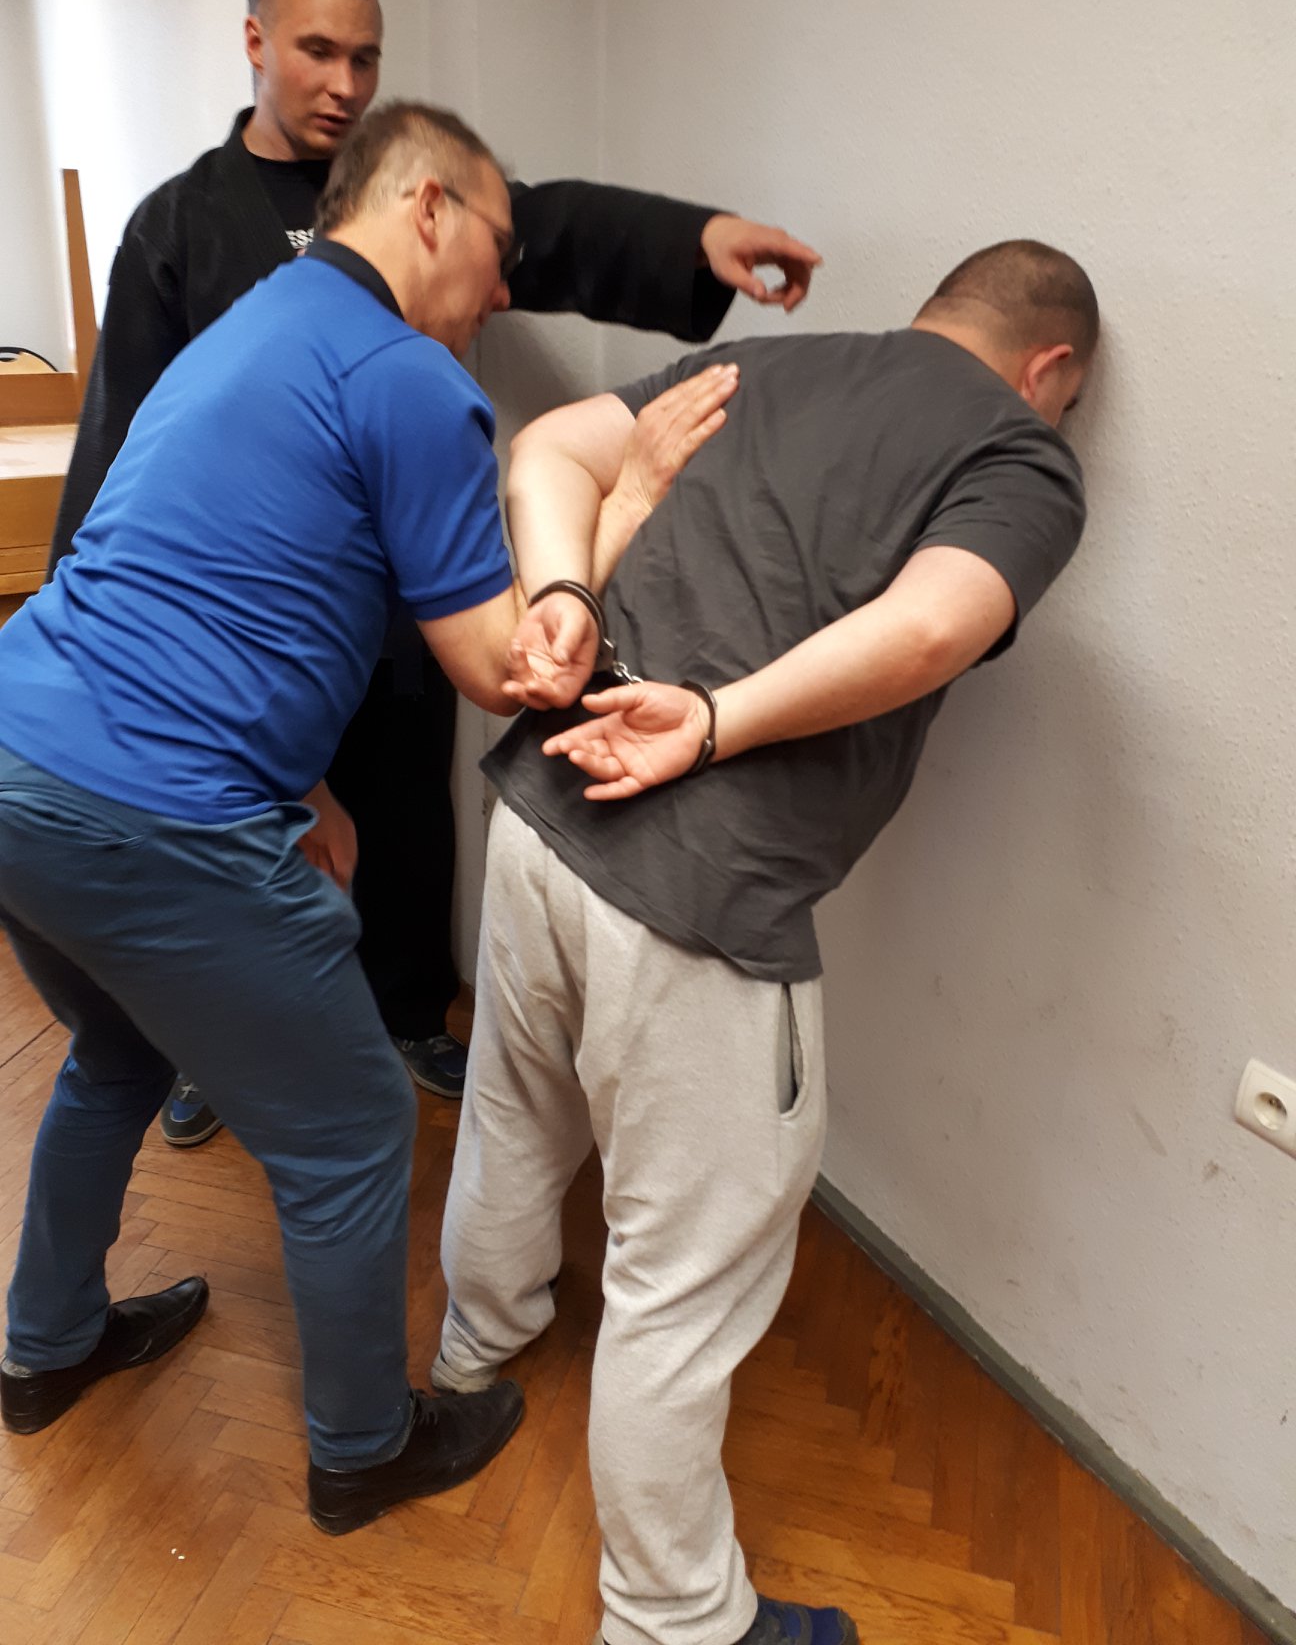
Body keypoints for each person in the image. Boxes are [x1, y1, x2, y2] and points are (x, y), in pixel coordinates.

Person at [0, 101, 732, 1533]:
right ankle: (361, 1447)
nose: (503, 289)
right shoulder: (409, 380)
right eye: (500, 248)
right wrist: (631, 489)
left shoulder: (252, 328)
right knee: (348, 1126)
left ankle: (46, 1344)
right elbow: (511, 669)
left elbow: (208, 581)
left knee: (120, 1048)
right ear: (429, 209)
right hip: (153, 808)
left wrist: (309, 785)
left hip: (19, 750)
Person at [45, 0, 823, 1143]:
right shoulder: (180, 223)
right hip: (249, 632)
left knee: (404, 815)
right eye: (317, 51)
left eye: (366, 58)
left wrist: (699, 236)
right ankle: (205, 1042)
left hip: (400, 593)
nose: (344, 83)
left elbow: (538, 222)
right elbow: (126, 438)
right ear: (255, 44)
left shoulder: (417, 187)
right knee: (243, 839)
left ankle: (409, 1007)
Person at [432, 239, 1098, 1645]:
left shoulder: (764, 364)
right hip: (699, 899)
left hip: (539, 812)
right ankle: (676, 1618)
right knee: (685, 1275)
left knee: (513, 1106)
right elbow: (934, 627)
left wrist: (563, 598)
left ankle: (475, 1350)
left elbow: (546, 449)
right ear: (1050, 369)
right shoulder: (1020, 455)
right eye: (1069, 401)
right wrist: (715, 722)